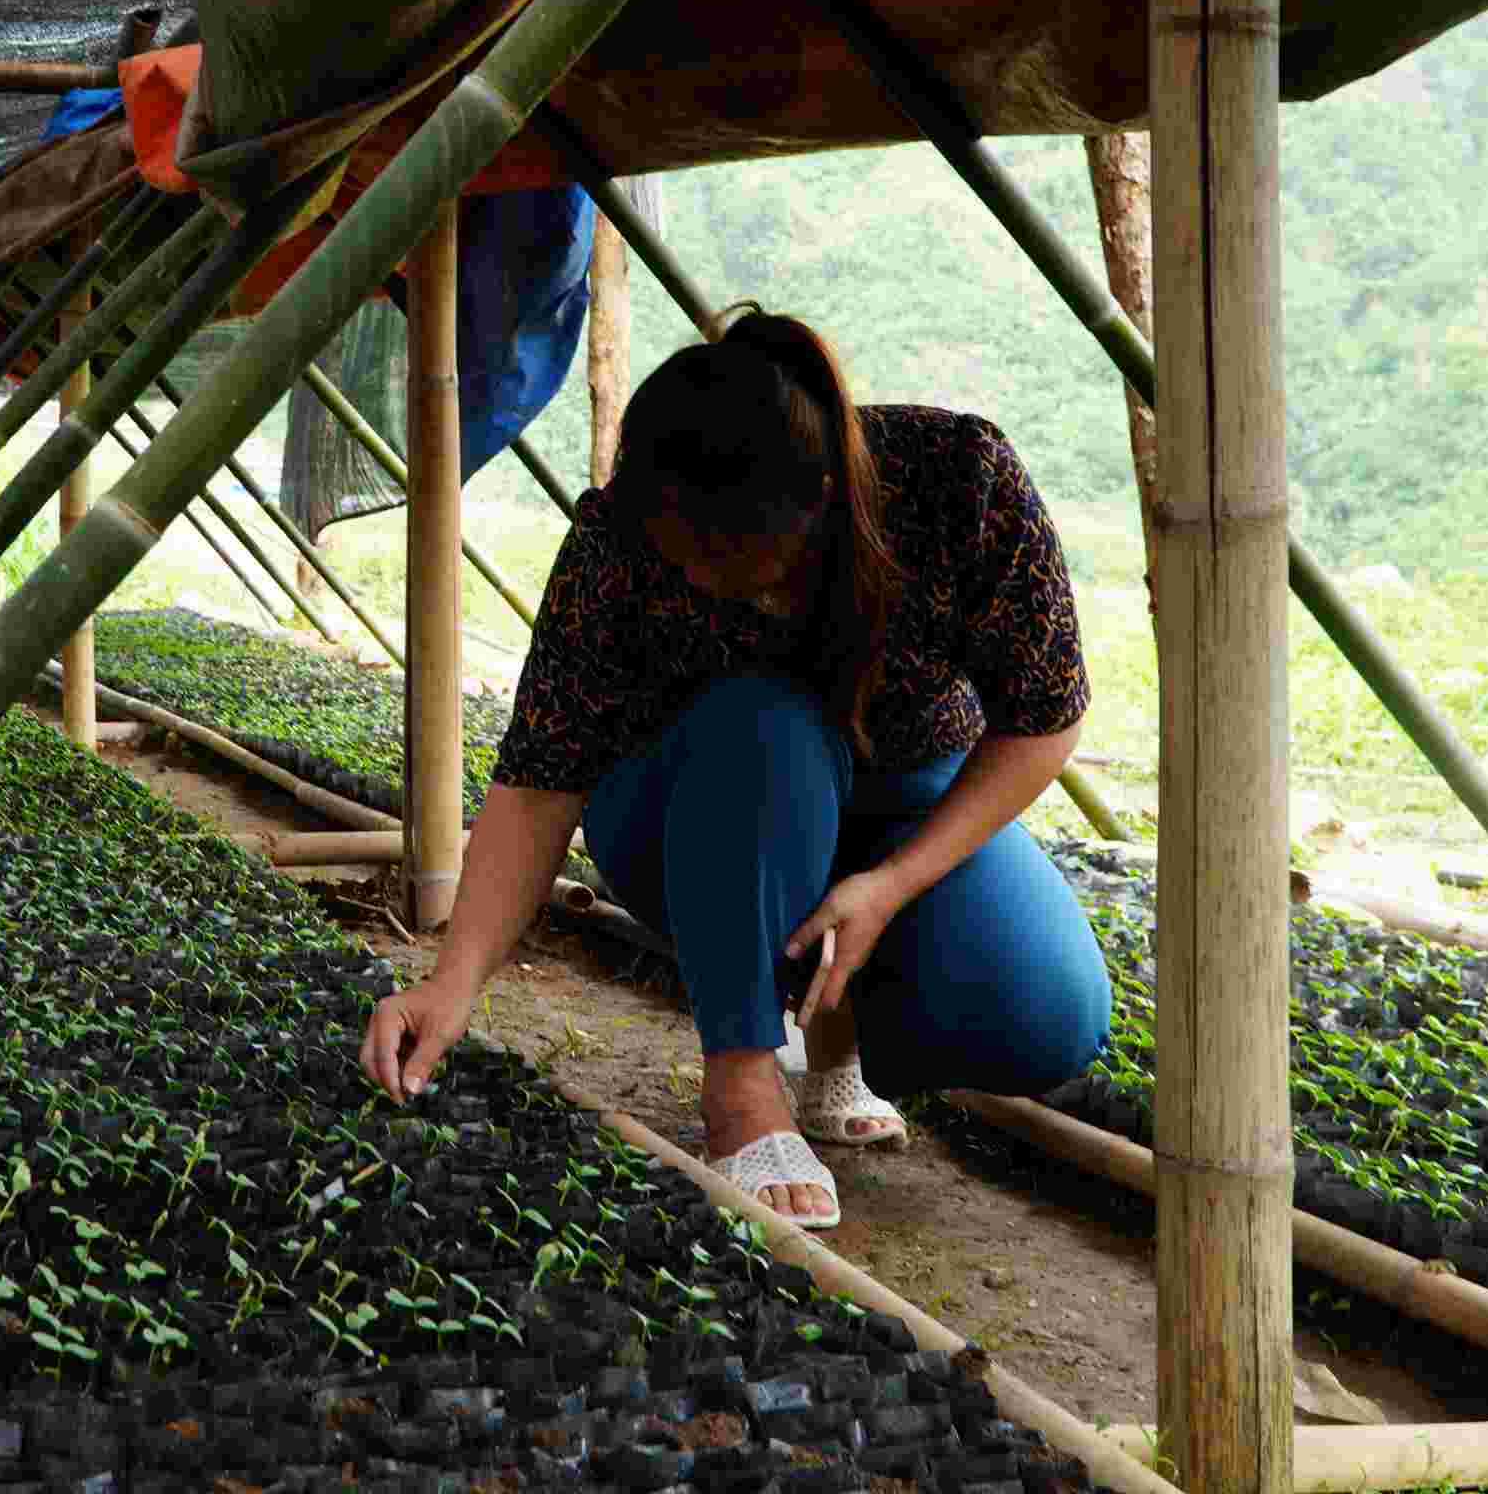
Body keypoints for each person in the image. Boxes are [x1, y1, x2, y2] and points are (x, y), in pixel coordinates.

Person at [360, 309, 1110, 1229]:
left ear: (823, 501)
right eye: (685, 563)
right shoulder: (614, 546)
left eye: (738, 564)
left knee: (1046, 1012)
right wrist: (453, 980)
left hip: (908, 789)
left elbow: (1042, 719)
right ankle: (744, 1086)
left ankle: (834, 1033)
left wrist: (891, 885)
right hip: (701, 812)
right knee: (763, 723)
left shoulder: (960, 484)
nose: (709, 586)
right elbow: (542, 778)